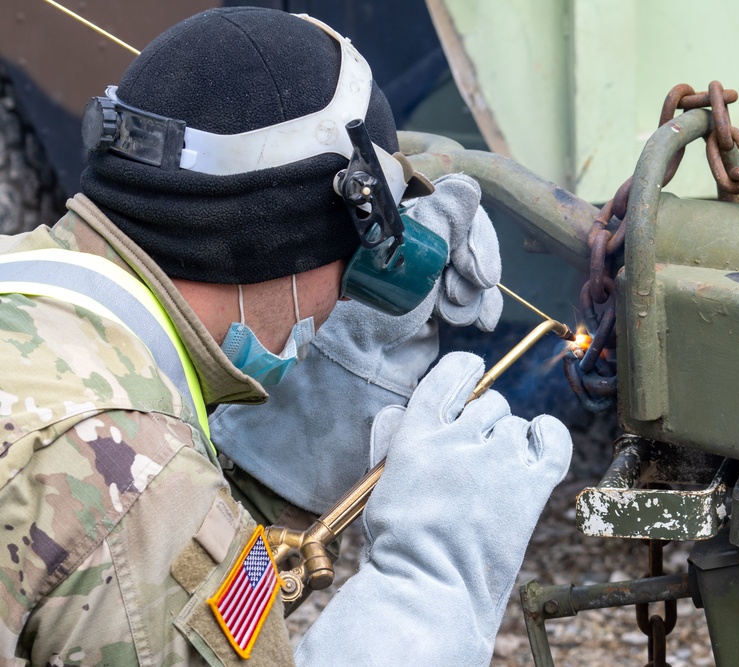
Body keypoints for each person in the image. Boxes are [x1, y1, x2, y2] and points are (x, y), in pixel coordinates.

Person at [0, 7, 571, 666]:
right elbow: (132, 538)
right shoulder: (140, 491)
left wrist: (268, 487)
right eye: (359, 258)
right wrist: (429, 586)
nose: (347, 298)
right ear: (287, 234)